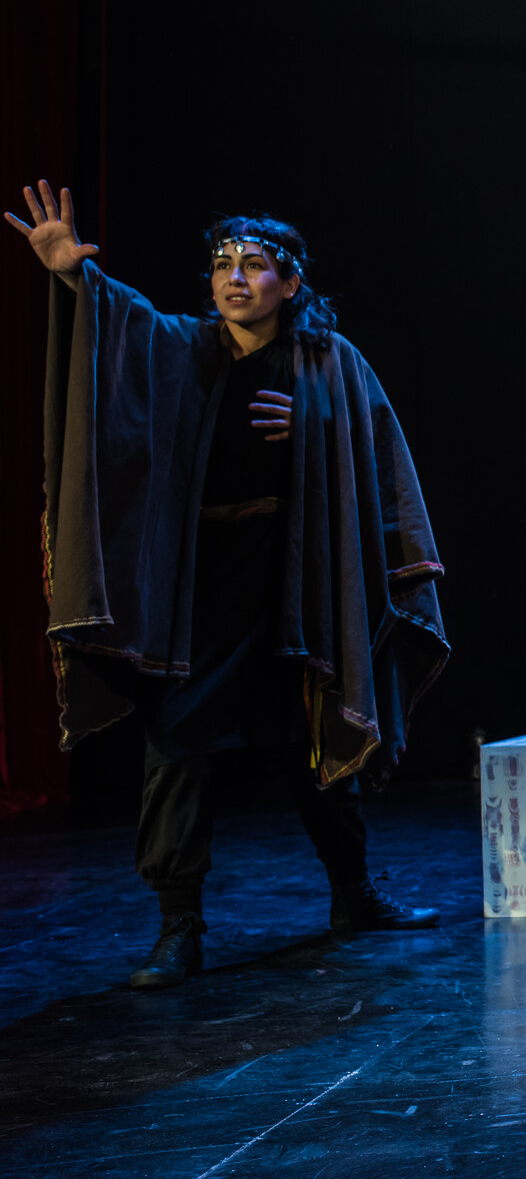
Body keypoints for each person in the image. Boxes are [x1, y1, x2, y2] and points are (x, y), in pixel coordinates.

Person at [9, 182, 450, 990]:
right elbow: (122, 334)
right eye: (222, 264)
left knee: (319, 737)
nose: (235, 278)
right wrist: (76, 278)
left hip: (296, 581)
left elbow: (374, 456)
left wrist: (312, 426)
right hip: (204, 587)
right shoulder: (184, 348)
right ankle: (179, 924)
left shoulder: (328, 361)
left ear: (291, 281)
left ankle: (354, 893)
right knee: (176, 743)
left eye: (254, 264)